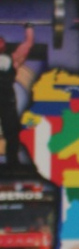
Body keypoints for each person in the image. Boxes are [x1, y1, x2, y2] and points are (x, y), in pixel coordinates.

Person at [0, 25, 33, 168]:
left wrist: (29, 28)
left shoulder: (12, 59)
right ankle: (13, 162)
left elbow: (28, 43)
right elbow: (28, 43)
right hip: (6, 100)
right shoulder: (12, 59)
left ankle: (12, 163)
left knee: (12, 133)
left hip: (6, 101)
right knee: (12, 133)